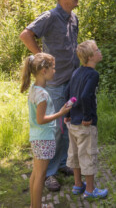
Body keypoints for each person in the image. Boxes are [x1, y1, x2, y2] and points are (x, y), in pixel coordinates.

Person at [19, 0, 81, 190]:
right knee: (54, 127)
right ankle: (49, 174)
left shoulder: (73, 18)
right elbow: (25, 34)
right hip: (54, 82)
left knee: (65, 126)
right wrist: (41, 58)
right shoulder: (50, 17)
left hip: (70, 80)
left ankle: (62, 163)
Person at [20, 53, 74, 208]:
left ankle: (33, 205)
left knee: (36, 174)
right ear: (44, 70)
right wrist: (61, 112)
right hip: (44, 138)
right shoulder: (42, 94)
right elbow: (41, 119)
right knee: (41, 176)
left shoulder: (34, 89)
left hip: (37, 137)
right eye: (53, 68)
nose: (55, 71)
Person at [62, 40, 108, 199]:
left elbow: (68, 93)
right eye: (97, 50)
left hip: (72, 122)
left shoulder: (76, 72)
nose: (100, 52)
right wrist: (88, 117)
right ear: (90, 57)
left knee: (74, 154)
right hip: (85, 124)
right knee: (88, 155)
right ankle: (90, 190)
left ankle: (77, 185)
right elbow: (84, 95)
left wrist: (67, 114)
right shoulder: (93, 74)